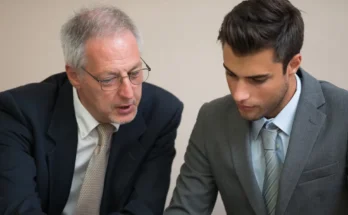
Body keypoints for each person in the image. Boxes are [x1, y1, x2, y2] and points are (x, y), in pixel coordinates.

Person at [165, 0, 348, 214]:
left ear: (293, 64)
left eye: (257, 79)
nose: (238, 94)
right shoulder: (211, 119)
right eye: (231, 74)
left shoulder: (343, 113)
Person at [0, 5, 183, 215]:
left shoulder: (161, 114)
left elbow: (143, 209)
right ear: (75, 76)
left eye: (134, 73)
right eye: (109, 79)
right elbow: (19, 209)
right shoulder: (19, 112)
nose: (128, 93)